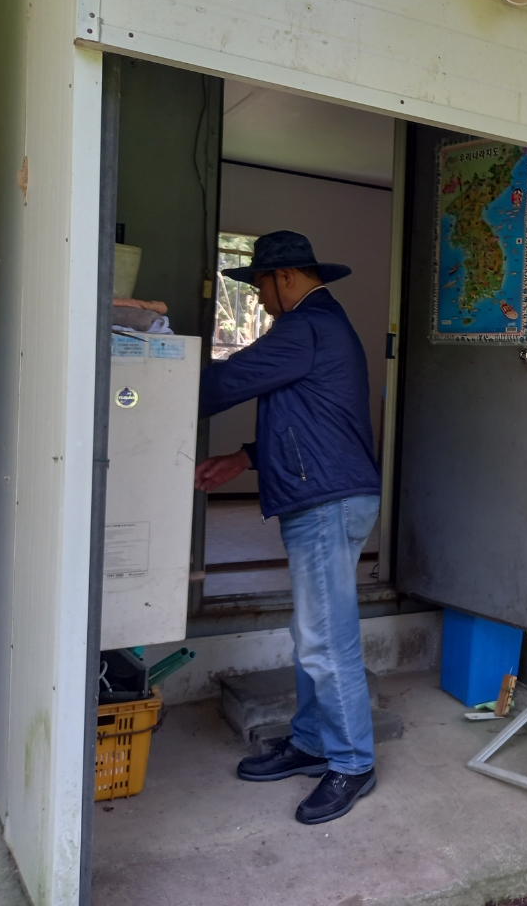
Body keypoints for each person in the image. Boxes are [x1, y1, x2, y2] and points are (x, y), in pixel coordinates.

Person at [196, 230, 381, 826]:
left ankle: (352, 762)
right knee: (313, 635)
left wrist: (150, 378)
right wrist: (245, 458)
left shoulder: (306, 327)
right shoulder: (318, 327)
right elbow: (305, 414)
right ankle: (311, 743)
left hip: (326, 502)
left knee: (327, 641)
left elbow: (226, 383)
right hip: (325, 494)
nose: (259, 299)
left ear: (286, 278)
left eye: (261, 287)